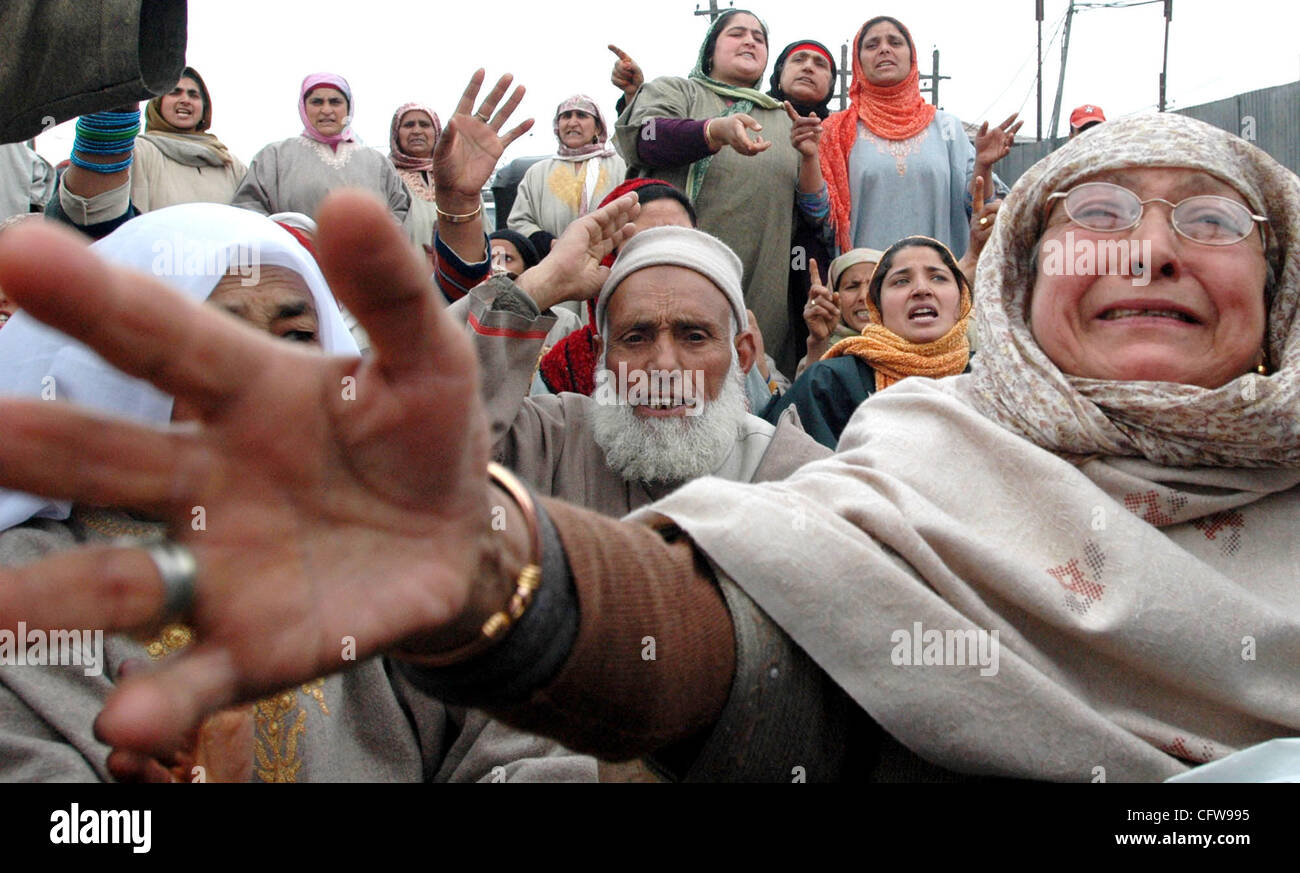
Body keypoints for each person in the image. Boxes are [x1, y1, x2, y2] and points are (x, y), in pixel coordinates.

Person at [3, 102, 1293, 783]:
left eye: (1214, 223)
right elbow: (754, 661)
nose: (1150, 249)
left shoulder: (803, 460)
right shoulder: (913, 463)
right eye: (1101, 212)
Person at [0, 203, 593, 783]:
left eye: (298, 336)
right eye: (222, 342)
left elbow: (525, 741)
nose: (268, 375)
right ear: (120, 367)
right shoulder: (24, 584)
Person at [458, 221, 828, 518]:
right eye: (636, 338)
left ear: (742, 356)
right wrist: (535, 288)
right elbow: (425, 441)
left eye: (694, 336)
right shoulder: (552, 444)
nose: (663, 364)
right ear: (602, 356)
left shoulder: (793, 473)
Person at [614, 9, 818, 376]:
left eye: (759, 37)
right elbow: (645, 139)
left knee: (754, 397)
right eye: (737, 33)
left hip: (760, 295)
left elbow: (810, 216)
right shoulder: (677, 91)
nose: (750, 41)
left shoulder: (786, 120)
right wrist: (712, 131)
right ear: (710, 51)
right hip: (669, 281)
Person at [819, 17, 1018, 258]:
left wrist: (983, 166)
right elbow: (818, 214)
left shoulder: (947, 128)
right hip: (864, 285)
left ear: (912, 57)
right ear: (858, 62)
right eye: (872, 45)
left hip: (936, 284)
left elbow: (978, 208)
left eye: (895, 42)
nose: (884, 49)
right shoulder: (836, 131)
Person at [764, 236, 971, 448]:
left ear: (962, 298)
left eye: (937, 278)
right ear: (877, 306)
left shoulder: (991, 374)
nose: (921, 289)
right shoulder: (831, 381)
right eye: (901, 281)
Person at [232, 73, 411, 226]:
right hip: (297, 262)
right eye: (317, 102)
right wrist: (289, 238)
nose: (326, 110)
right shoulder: (274, 157)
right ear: (303, 107)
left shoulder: (377, 162)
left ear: (348, 107)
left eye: (335, 102)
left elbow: (400, 210)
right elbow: (247, 209)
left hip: (364, 263)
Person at [507, 94, 626, 259]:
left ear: (598, 128)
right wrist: (551, 244)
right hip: (550, 266)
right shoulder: (538, 172)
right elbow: (519, 221)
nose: (572, 122)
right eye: (566, 116)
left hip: (609, 266)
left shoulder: (620, 166)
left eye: (582, 115)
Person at [131, 67, 248, 212]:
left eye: (194, 95)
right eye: (175, 92)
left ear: (204, 107)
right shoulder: (139, 151)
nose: (185, 100)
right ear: (157, 102)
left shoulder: (229, 163)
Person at [794, 247, 882, 375]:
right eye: (852, 286)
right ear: (834, 295)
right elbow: (806, 394)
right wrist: (819, 342)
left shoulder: (913, 347)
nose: (863, 296)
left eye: (874, 286)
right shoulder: (820, 353)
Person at [389, 102, 442, 258]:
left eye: (424, 125)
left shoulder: (455, 177)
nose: (417, 131)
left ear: (437, 133)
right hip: (405, 273)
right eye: (409, 125)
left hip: (457, 275)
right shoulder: (387, 176)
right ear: (396, 134)